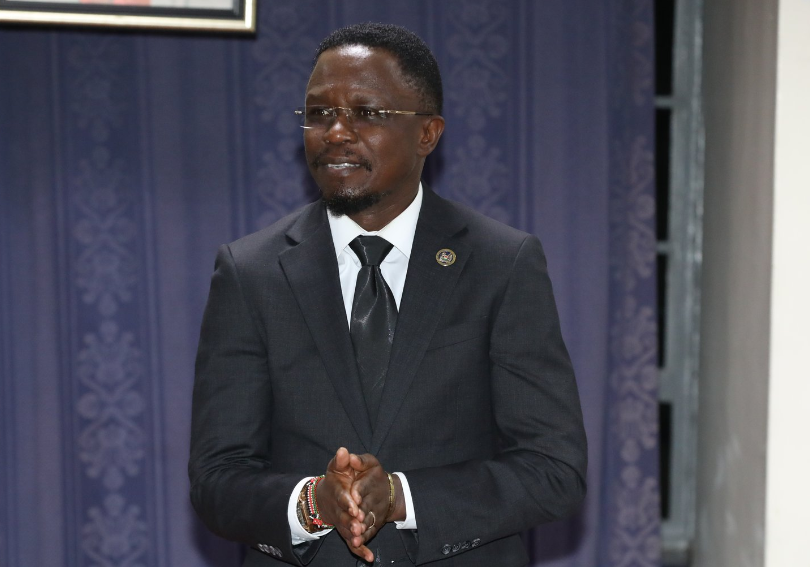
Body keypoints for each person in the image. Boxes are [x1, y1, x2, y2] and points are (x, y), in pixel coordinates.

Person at [188, 22, 587, 567]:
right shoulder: (250, 272)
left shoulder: (501, 264)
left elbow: (553, 469)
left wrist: (401, 497)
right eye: (320, 113)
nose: (335, 131)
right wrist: (313, 504)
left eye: (366, 113)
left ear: (427, 133)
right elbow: (217, 479)